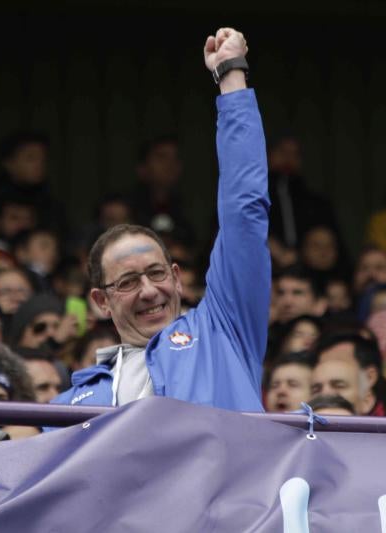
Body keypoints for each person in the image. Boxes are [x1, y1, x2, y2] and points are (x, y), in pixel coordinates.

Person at [53, 28, 270, 411]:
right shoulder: (70, 405)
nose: (149, 291)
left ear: (177, 277)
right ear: (101, 301)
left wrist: (231, 76)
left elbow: (244, 211)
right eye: (128, 282)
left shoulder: (224, 330)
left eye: (156, 273)